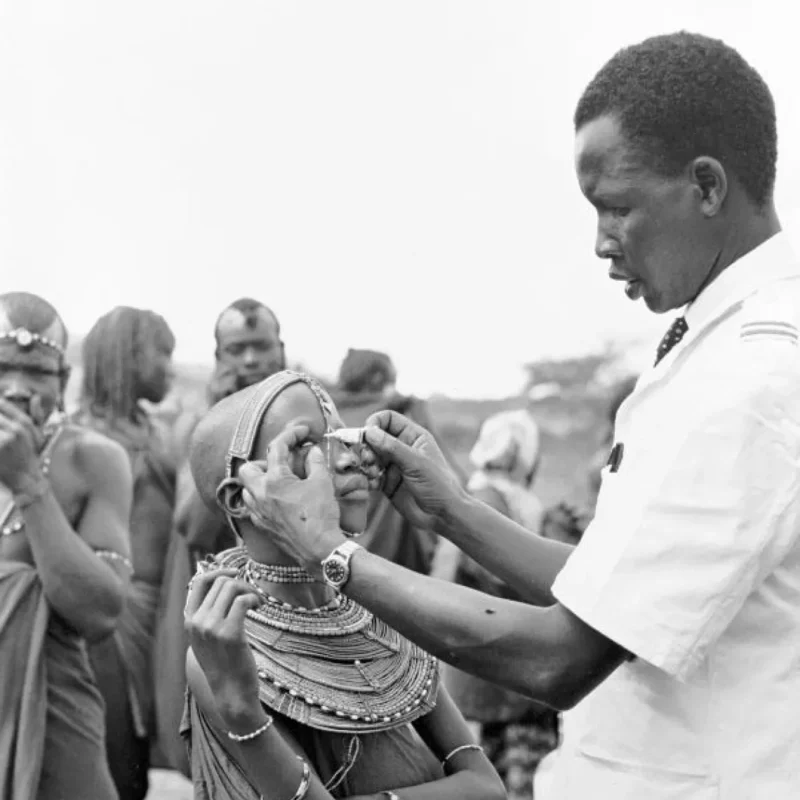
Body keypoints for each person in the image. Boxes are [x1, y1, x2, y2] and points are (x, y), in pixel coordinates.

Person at [237, 32, 800, 798]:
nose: (601, 243)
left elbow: (558, 659)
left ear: (706, 186)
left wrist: (328, 551)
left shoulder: (748, 380)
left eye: (617, 208)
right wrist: (453, 510)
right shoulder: (723, 346)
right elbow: (613, 594)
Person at [181, 370, 505, 800]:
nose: (350, 459)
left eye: (340, 438)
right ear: (240, 498)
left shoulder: (376, 609)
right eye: (305, 445)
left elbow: (488, 787)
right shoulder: (225, 643)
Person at [0, 291, 133, 799]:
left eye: (36, 372)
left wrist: (28, 484)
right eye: (2, 368)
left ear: (63, 380)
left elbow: (101, 612)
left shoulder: (94, 459)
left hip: (54, 729)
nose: (16, 389)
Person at [153, 297, 287, 775]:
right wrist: (232, 428)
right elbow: (191, 523)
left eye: (261, 346)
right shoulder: (200, 424)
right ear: (218, 358)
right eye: (236, 349)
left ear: (281, 350)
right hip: (225, 608)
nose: (250, 360)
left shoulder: (305, 420)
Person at [75, 305, 178, 800]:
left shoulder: (158, 432)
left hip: (164, 613)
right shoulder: (80, 439)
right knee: (118, 760)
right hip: (112, 621)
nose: (171, 368)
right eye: (163, 354)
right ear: (128, 356)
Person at [445, 410, 558, 799]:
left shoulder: (500, 495)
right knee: (520, 773)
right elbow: (499, 572)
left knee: (504, 765)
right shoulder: (488, 498)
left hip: (503, 657)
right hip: (505, 655)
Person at [332, 348, 465, 574]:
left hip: (336, 540)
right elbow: (440, 464)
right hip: (389, 548)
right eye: (392, 379)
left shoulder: (326, 410)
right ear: (377, 378)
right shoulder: (398, 411)